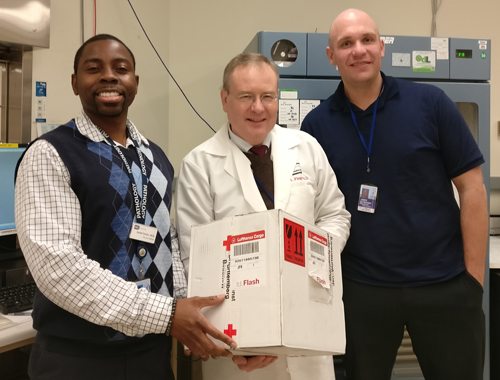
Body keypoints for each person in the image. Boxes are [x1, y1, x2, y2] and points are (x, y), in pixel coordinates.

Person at [14, 34, 236, 380]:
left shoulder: (155, 158)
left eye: (121, 68)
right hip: (78, 360)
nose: (109, 76)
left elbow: (168, 245)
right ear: (75, 83)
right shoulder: (50, 154)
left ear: (134, 82)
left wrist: (195, 318)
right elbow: (59, 269)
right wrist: (168, 315)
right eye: (93, 68)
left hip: (152, 355)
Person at [301, 9, 488, 380]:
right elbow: (313, 212)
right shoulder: (317, 125)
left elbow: (472, 189)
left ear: (381, 47)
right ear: (331, 56)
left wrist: (472, 280)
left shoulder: (430, 104)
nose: (359, 50)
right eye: (346, 43)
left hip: (444, 284)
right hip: (361, 292)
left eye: (367, 39)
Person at [175, 52, 351, 380]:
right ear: (225, 99)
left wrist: (310, 261)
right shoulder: (200, 165)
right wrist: (247, 343)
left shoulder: (306, 147)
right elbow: (196, 260)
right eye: (246, 97)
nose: (258, 107)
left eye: (267, 96)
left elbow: (335, 216)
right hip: (241, 349)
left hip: (308, 329)